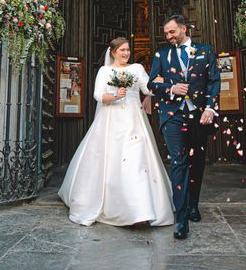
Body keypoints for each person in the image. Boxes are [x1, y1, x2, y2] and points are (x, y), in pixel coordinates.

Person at [58, 37, 174, 227]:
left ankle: (141, 210)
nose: (126, 53)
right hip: (111, 120)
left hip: (134, 120)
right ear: (113, 52)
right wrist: (114, 96)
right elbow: (97, 94)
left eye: (128, 50)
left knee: (136, 159)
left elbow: (148, 89)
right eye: (122, 50)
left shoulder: (136, 68)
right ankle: (119, 207)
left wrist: (159, 83)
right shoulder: (105, 71)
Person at [148, 14, 220, 239]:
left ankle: (193, 205)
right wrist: (170, 89)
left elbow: (213, 81)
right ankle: (181, 219)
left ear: (183, 29)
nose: (169, 37)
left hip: (199, 115)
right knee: (178, 162)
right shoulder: (162, 54)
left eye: (172, 32)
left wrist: (210, 108)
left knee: (197, 161)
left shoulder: (205, 50)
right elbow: (151, 83)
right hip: (172, 116)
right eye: (166, 34)